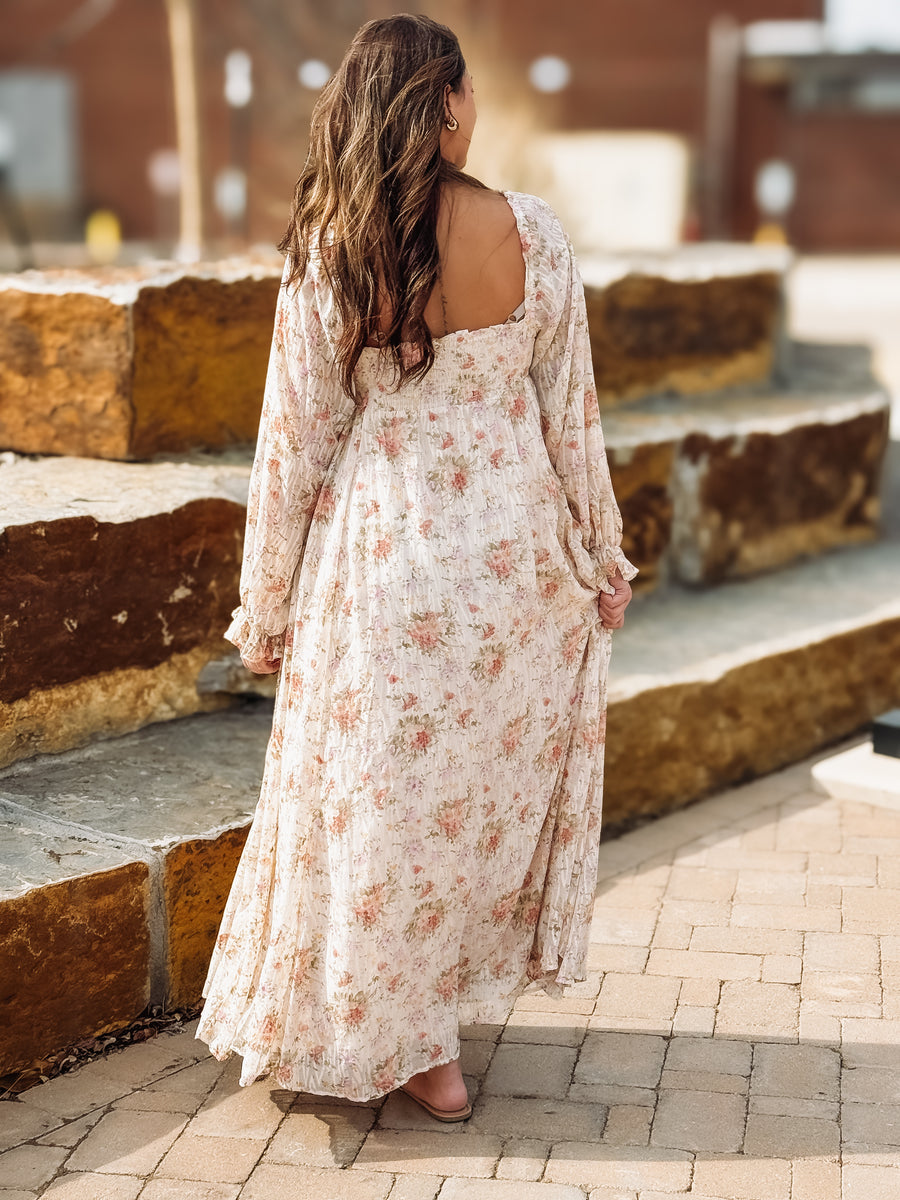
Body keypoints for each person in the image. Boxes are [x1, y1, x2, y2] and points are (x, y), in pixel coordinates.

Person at [196, 13, 636, 1122]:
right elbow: (569, 416)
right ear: (438, 104)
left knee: (376, 807)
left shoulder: (334, 247)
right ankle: (430, 1040)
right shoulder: (534, 235)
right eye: (468, 90)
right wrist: (601, 551)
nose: (478, 107)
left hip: (388, 563)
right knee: (463, 806)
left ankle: (399, 1038)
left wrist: (267, 606)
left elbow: (293, 446)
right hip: (514, 563)